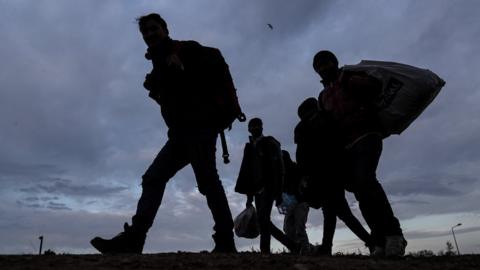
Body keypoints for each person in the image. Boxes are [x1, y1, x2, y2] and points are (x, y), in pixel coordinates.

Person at [90, 13, 244, 254]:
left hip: (201, 127)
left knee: (207, 181)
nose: (150, 34)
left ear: (165, 29)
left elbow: (202, 78)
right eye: (145, 32)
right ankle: (134, 239)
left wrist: (183, 67)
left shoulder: (188, 49)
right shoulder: (158, 63)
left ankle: (225, 240)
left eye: (154, 29)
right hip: (180, 133)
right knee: (154, 177)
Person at [312, 50, 407, 256]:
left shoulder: (350, 77)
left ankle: (394, 235)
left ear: (334, 63)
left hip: (367, 135)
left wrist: (351, 81)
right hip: (346, 147)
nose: (322, 69)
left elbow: (375, 87)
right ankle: (378, 239)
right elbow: (329, 126)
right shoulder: (323, 97)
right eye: (318, 67)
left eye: (325, 64)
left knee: (366, 180)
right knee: (360, 192)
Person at [294, 97, 373, 255]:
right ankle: (327, 246)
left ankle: (371, 241)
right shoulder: (328, 119)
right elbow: (340, 146)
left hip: (322, 175)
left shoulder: (304, 127)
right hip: (333, 173)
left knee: (340, 213)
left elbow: (302, 155)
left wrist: (303, 176)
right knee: (331, 213)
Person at [235, 118, 298, 254]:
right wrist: (249, 196)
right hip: (257, 190)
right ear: (249, 129)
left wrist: (278, 192)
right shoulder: (250, 147)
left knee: (263, 220)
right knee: (263, 221)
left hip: (268, 188)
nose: (255, 128)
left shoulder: (270, 143)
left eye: (257, 126)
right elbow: (248, 174)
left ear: (262, 128)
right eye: (252, 126)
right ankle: (271, 250)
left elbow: (279, 169)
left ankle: (289, 246)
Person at [280, 150, 312, 254]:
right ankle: (299, 248)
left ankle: (306, 250)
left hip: (301, 202)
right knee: (288, 228)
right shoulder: (282, 172)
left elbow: (304, 182)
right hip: (291, 204)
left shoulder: (296, 169)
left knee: (299, 228)